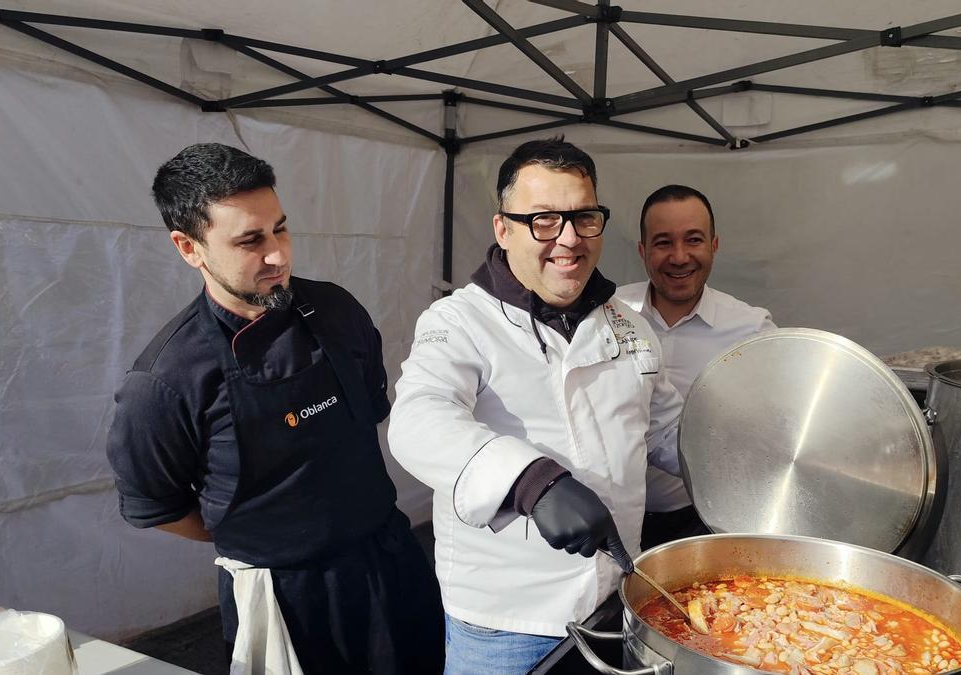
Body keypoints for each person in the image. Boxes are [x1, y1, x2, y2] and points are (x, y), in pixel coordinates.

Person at [105, 143, 443, 674]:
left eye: (280, 229)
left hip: (390, 559)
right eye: (250, 240)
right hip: (283, 596)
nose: (278, 255)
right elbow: (159, 506)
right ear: (188, 248)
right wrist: (259, 531)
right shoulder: (164, 380)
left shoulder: (336, 310)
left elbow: (373, 406)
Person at [388, 138, 683, 674]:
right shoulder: (457, 322)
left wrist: (752, 461)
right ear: (503, 229)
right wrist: (532, 482)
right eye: (544, 219)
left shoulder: (630, 327)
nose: (568, 239)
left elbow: (665, 434)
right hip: (506, 622)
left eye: (584, 217)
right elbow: (418, 421)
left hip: (617, 600)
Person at [616, 185, 777, 550]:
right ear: (642, 250)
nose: (679, 257)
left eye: (693, 240)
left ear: (714, 245)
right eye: (662, 242)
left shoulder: (751, 330)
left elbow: (775, 432)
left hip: (700, 522)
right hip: (612, 517)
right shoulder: (610, 315)